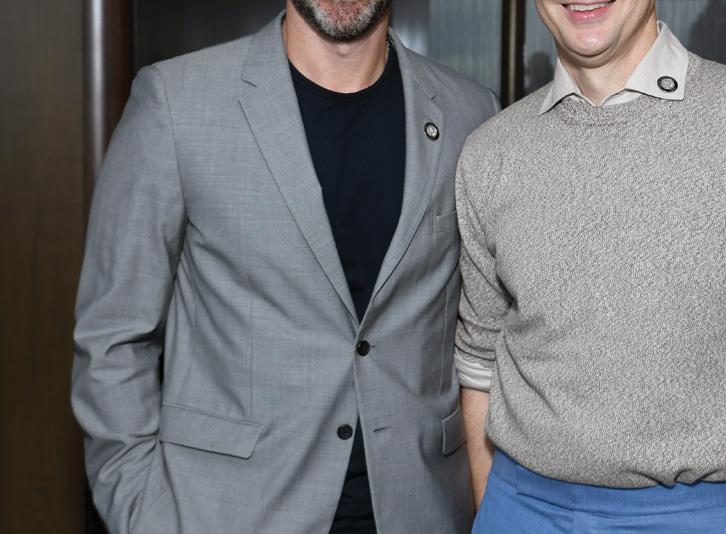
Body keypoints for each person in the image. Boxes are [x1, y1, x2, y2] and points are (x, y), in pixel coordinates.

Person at [71, 1, 498, 532]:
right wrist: (142, 514)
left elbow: (488, 337)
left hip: (422, 510)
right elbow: (113, 336)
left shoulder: (471, 114)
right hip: (228, 514)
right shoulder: (175, 102)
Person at [454, 1, 726, 532]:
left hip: (704, 515)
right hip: (519, 506)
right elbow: (479, 362)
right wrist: (495, 511)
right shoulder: (490, 152)